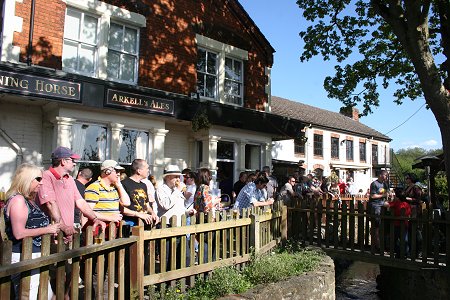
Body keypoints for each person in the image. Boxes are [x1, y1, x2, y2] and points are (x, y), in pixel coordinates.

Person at [4, 164, 60, 300]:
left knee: (47, 295)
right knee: (29, 296)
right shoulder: (18, 200)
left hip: (34, 254)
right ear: (26, 179)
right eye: (38, 179)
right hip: (23, 256)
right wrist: (47, 229)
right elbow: (19, 233)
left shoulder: (28, 200)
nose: (41, 183)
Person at [38, 147, 106, 241]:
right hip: (51, 238)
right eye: (72, 160)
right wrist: (62, 226)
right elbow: (50, 203)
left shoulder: (69, 179)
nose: (74, 163)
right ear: (63, 161)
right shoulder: (46, 176)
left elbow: (81, 202)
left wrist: (95, 219)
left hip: (67, 235)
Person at [121, 159, 158, 228]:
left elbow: (147, 205)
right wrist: (138, 214)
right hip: (130, 223)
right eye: (147, 168)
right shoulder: (124, 184)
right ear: (139, 171)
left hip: (145, 223)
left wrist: (153, 213)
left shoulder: (144, 185)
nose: (148, 171)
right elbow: (121, 208)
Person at [383, 188, 411, 257]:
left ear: (398, 197)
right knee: (404, 240)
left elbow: (386, 205)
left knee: (395, 240)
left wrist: (386, 200)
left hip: (396, 225)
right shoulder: (407, 204)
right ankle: (405, 253)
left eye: (395, 195)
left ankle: (398, 253)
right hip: (405, 225)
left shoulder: (397, 203)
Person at [368, 170, 389, 249]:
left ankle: (383, 244)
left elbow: (386, 195)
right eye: (385, 175)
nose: (386, 177)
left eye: (387, 176)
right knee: (376, 226)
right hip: (375, 205)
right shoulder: (374, 184)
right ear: (380, 175)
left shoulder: (385, 184)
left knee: (382, 226)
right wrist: (383, 195)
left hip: (383, 205)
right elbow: (372, 196)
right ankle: (377, 245)